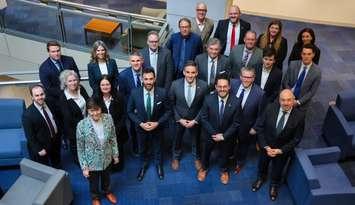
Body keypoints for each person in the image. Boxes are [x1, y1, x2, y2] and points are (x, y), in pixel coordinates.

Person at [251, 89, 305, 201]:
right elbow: (260, 128)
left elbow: (296, 139)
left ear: (293, 100)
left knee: (278, 170)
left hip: (282, 151)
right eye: (283, 100)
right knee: (262, 164)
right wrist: (265, 146)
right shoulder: (270, 108)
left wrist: (281, 150)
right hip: (266, 148)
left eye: (289, 100)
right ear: (279, 100)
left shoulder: (300, 116)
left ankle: (274, 185)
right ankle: (261, 178)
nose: (286, 103)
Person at [127, 68, 171, 181]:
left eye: (151, 79)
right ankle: (143, 166)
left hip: (157, 128)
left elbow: (168, 111)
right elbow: (130, 112)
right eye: (146, 79)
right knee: (142, 149)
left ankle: (158, 165)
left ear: (155, 79)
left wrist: (158, 123)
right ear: (142, 79)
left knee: (158, 148)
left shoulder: (162, 92)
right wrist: (140, 123)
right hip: (141, 128)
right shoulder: (134, 93)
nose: (148, 82)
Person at [197, 73, 240, 185]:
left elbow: (236, 123)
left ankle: (224, 171)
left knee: (225, 154)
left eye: (225, 86)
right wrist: (214, 134)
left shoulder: (236, 102)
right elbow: (204, 119)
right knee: (205, 153)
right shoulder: (208, 99)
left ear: (229, 87)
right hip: (210, 134)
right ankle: (204, 168)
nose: (222, 89)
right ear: (215, 87)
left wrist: (224, 136)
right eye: (219, 86)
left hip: (227, 136)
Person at [76, 97, 119, 205]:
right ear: (88, 111)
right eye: (91, 110)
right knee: (93, 183)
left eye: (97, 109)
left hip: (107, 157)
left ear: (101, 108)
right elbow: (80, 148)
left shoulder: (108, 118)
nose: (95, 113)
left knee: (107, 178)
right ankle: (95, 197)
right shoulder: (81, 125)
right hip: (92, 162)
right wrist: (84, 167)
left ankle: (107, 191)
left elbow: (113, 137)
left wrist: (115, 154)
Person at [39, 41, 80, 148]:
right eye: (53, 51)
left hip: (74, 95)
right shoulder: (44, 68)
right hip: (57, 101)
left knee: (76, 116)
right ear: (48, 52)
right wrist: (66, 93)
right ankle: (66, 139)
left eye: (58, 50)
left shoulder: (69, 60)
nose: (56, 53)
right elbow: (48, 88)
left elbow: (77, 75)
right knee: (63, 121)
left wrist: (73, 88)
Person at [169, 61, 208, 171]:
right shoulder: (175, 84)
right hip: (179, 119)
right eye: (188, 72)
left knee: (196, 140)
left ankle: (196, 158)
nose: (190, 75)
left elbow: (205, 106)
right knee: (177, 139)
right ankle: (175, 157)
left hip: (195, 120)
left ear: (197, 73)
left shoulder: (204, 85)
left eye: (193, 72)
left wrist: (196, 120)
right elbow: (171, 103)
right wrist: (178, 119)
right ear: (183, 72)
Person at [230, 67, 264, 174]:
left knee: (243, 145)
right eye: (244, 76)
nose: (246, 79)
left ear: (253, 78)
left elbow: (262, 114)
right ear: (240, 76)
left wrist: (255, 128)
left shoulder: (260, 93)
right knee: (228, 142)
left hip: (246, 126)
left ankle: (239, 163)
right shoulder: (232, 84)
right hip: (230, 123)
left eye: (249, 77)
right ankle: (228, 158)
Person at [22, 84, 61, 168]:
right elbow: (30, 136)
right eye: (37, 95)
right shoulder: (27, 114)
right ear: (32, 97)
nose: (40, 97)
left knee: (57, 163)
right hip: (42, 145)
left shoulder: (50, 103)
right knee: (45, 168)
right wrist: (38, 149)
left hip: (55, 140)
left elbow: (56, 118)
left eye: (42, 94)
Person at [96, 75, 127, 171]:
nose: (105, 87)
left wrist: (116, 130)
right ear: (99, 86)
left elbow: (124, 115)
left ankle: (118, 166)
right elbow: (94, 117)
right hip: (102, 131)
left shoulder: (119, 97)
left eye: (107, 84)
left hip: (118, 130)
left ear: (111, 85)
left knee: (118, 150)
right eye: (102, 85)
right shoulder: (95, 99)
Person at [59, 70, 89, 164]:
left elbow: (89, 102)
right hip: (74, 129)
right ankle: (80, 163)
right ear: (65, 83)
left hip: (87, 123)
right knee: (77, 149)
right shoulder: (63, 98)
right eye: (70, 81)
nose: (73, 83)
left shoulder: (81, 88)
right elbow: (69, 119)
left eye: (75, 80)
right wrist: (81, 130)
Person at [118, 52, 144, 156]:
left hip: (146, 106)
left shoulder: (147, 72)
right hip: (132, 108)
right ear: (129, 62)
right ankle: (136, 148)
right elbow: (123, 95)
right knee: (134, 129)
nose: (135, 63)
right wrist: (130, 109)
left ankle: (147, 147)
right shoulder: (123, 75)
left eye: (138, 60)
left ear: (142, 61)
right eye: (133, 61)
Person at [282, 44, 321, 111]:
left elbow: (311, 92)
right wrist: (290, 96)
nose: (306, 56)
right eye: (304, 54)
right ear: (301, 54)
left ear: (313, 55)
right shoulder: (293, 64)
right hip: (287, 97)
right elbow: (285, 81)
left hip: (302, 102)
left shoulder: (317, 72)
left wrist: (298, 102)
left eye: (309, 54)